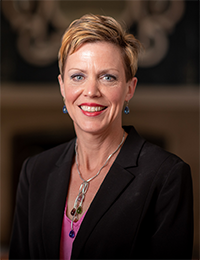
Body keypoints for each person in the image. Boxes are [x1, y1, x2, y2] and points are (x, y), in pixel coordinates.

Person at [9, 14, 193, 260]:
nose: (91, 91)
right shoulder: (35, 171)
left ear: (130, 88)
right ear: (62, 87)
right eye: (78, 76)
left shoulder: (167, 176)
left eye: (108, 77)